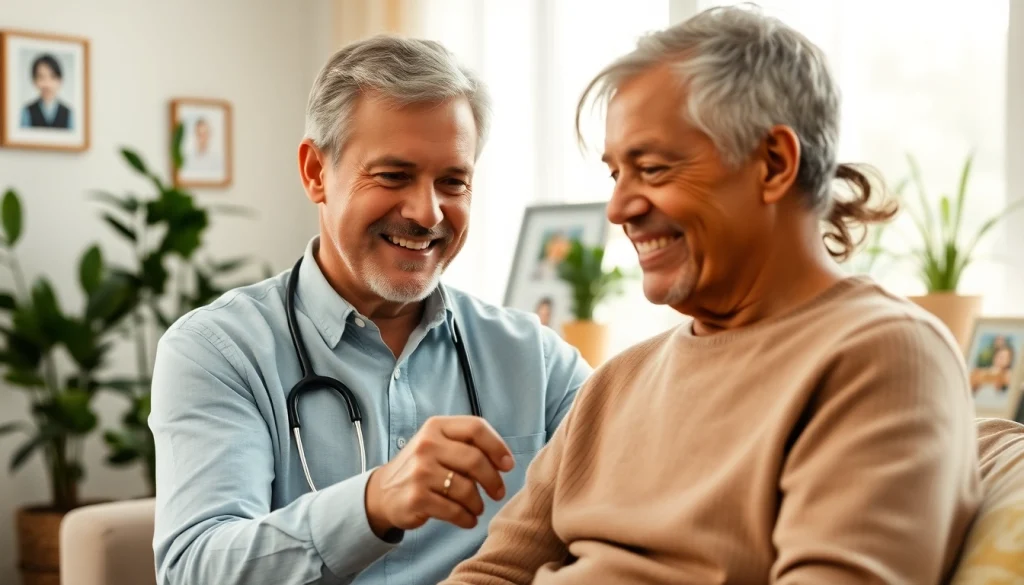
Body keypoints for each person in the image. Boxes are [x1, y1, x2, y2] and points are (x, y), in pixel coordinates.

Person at [443, 6, 982, 585]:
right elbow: (490, 576)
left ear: (773, 164)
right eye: (616, 175)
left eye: (651, 169)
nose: (619, 209)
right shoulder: (615, 385)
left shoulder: (881, 358)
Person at [149, 35, 592, 585]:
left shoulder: (537, 360)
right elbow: (196, 568)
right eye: (393, 176)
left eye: (453, 181)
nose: (427, 212)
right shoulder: (218, 351)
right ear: (315, 171)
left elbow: (629, 507)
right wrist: (372, 503)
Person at [20, 54, 73, 129]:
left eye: (52, 77)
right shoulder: (27, 111)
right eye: (41, 77)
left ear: (60, 80)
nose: (47, 83)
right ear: (34, 80)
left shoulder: (68, 113)